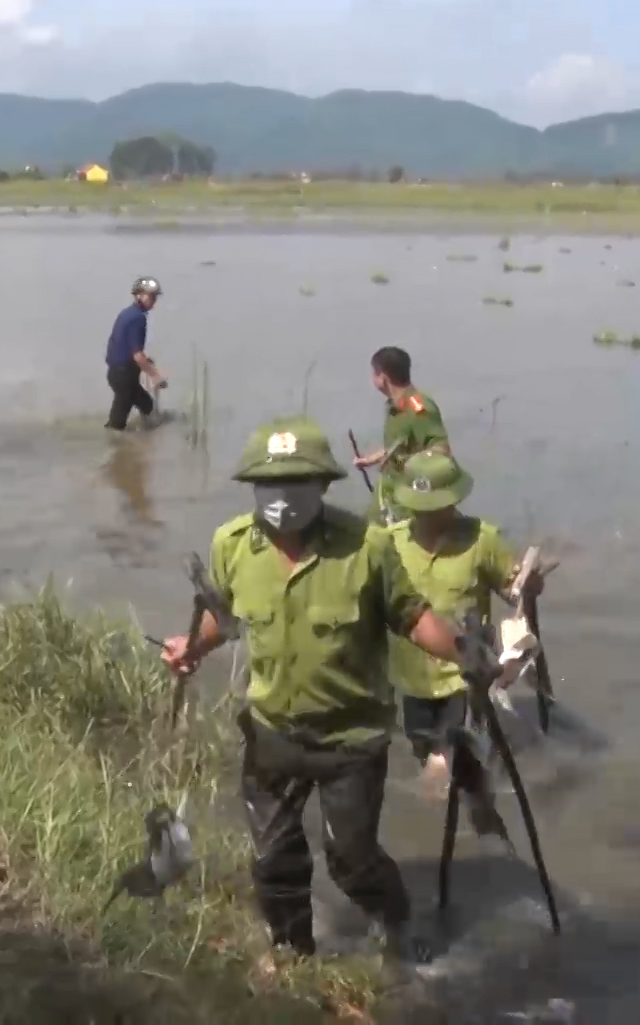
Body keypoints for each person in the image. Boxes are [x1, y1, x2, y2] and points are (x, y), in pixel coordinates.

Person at [160, 416, 464, 963]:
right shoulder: (231, 545)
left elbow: (414, 618)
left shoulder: (367, 547)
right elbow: (224, 619)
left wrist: (471, 657)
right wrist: (192, 646)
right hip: (272, 732)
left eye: (297, 482)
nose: (281, 497)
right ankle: (294, 955)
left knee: (351, 859)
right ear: (253, 487)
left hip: (352, 738)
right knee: (274, 859)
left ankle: (396, 921)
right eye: (269, 484)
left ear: (323, 484)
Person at [382, 451, 543, 794]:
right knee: (426, 753)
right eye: (421, 508)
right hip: (411, 681)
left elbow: (515, 594)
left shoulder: (482, 539)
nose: (429, 515)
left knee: (449, 765)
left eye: (438, 506)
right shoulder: (388, 543)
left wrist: (529, 587)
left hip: (466, 677)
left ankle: (476, 808)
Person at [350, 346, 449, 526]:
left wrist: (413, 471)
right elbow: (398, 446)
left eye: (374, 373)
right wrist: (369, 460)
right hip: (388, 494)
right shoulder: (395, 407)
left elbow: (440, 450)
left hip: (407, 501)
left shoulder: (418, 407)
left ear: (383, 377)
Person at [105, 276, 167, 430]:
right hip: (124, 377)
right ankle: (115, 450)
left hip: (119, 374)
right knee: (116, 425)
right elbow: (137, 355)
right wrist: (156, 377)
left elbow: (123, 346)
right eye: (150, 296)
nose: (153, 300)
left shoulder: (128, 313)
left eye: (155, 296)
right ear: (138, 295)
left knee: (148, 407)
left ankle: (144, 446)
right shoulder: (138, 318)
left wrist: (146, 362)